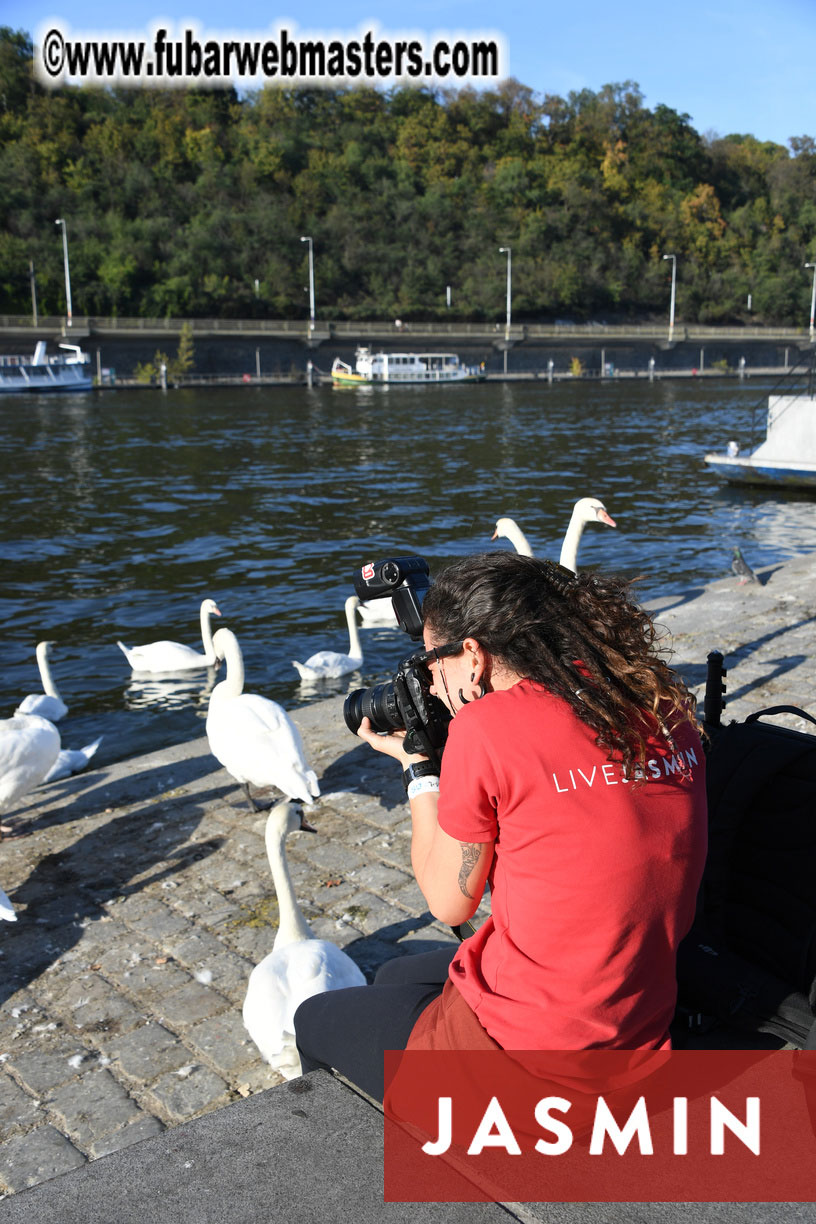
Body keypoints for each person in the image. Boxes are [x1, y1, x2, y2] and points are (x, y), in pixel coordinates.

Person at [295, 551, 707, 1102]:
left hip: (536, 1062)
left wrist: (419, 769)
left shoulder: (488, 728)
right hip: (634, 1017)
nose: (433, 685)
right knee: (396, 978)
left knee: (315, 1017)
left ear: (473, 655)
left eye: (431, 663)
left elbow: (449, 905)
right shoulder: (656, 699)